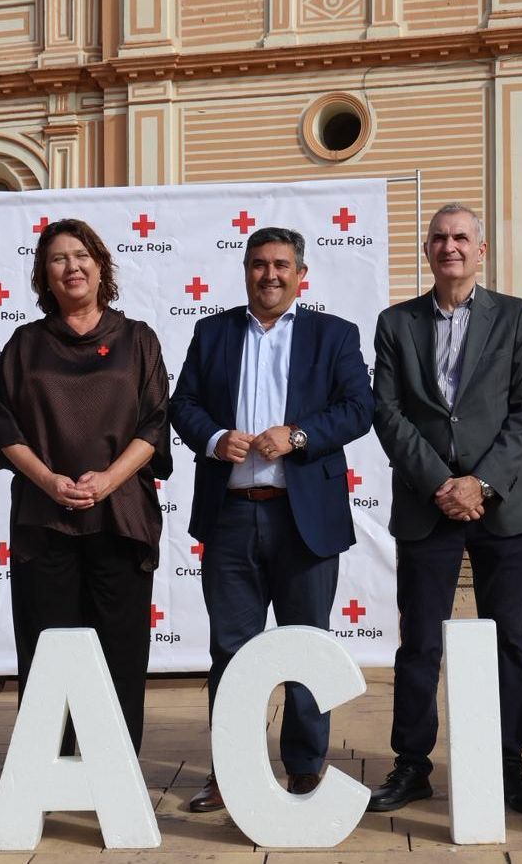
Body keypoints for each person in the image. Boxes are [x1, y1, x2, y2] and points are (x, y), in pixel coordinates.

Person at [170, 227, 375, 813]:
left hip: (303, 516)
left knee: (307, 647)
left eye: (282, 265)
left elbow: (359, 408)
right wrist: (212, 437)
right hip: (231, 515)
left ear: (302, 273)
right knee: (232, 651)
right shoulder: (212, 332)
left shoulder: (333, 334)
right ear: (245, 271)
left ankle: (306, 769)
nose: (270, 275)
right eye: (259, 264)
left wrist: (301, 435)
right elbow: (182, 404)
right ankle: (231, 769)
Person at [368, 203, 522, 815]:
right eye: (440, 238)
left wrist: (482, 483)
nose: (451, 247)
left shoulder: (516, 317)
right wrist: (443, 483)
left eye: (462, 237)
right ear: (428, 250)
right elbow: (387, 413)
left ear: (482, 249)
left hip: (500, 508)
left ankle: (508, 766)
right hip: (428, 505)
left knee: (510, 642)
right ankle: (412, 765)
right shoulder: (396, 323)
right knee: (419, 642)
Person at [0, 218, 171, 754]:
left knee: (120, 649)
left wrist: (109, 480)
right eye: (58, 258)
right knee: (47, 649)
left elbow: (155, 423)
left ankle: (114, 769)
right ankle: (48, 771)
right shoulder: (24, 344)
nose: (72, 266)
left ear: (100, 264)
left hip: (120, 517)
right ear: (45, 274)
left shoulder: (137, 340)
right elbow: (4, 425)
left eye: (80, 255)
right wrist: (47, 480)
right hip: (45, 521)